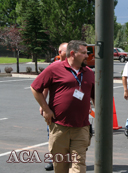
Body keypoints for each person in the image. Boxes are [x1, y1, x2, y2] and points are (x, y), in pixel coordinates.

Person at [31, 40, 95, 173]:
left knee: (79, 166)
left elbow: (95, 96)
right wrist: (46, 109)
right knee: (60, 168)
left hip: (81, 127)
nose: (86, 56)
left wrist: (98, 112)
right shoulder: (54, 69)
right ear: (72, 53)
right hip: (59, 127)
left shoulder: (88, 72)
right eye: (83, 53)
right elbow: (35, 88)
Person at [40, 42, 68, 171]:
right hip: (55, 109)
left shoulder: (75, 67)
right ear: (59, 52)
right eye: (66, 51)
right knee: (52, 135)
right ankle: (53, 160)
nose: (69, 54)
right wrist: (43, 106)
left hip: (72, 111)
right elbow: (44, 87)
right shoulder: (53, 67)